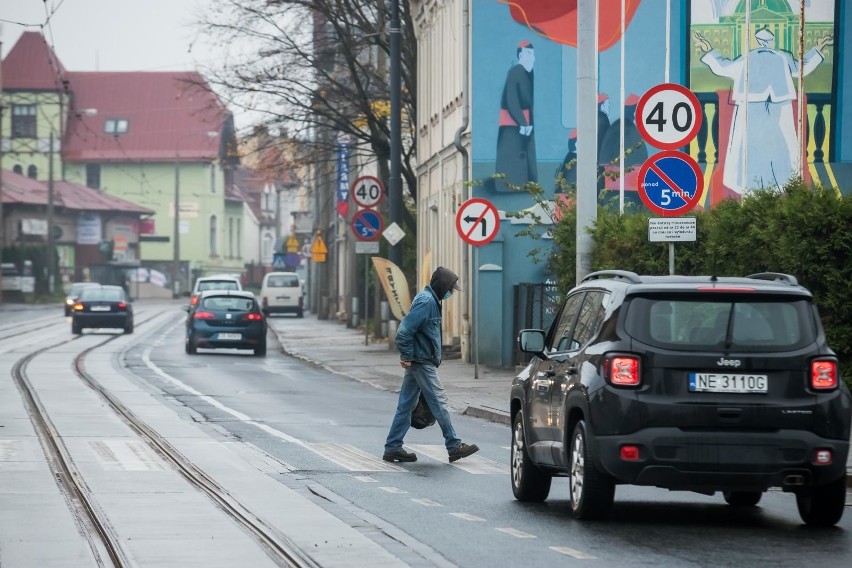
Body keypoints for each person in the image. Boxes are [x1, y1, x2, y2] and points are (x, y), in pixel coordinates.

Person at [694, 27, 833, 194]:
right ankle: (777, 184)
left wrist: (709, 50)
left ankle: (752, 186)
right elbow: (801, 69)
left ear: (758, 41)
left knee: (753, 145)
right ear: (770, 42)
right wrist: (817, 48)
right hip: (776, 103)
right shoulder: (783, 57)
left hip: (754, 104)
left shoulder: (747, 58)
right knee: (777, 145)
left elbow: (722, 68)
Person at [383, 267, 479, 464]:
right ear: (443, 286)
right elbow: (405, 330)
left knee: (406, 405)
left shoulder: (431, 300)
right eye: (451, 288)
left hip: (419, 360)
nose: (452, 292)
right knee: (440, 402)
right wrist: (407, 355)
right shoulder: (427, 302)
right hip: (421, 361)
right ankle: (454, 446)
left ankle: (393, 448)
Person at [495, 41, 537, 191]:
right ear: (521, 55)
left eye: (533, 54)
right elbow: (512, 100)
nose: (532, 58)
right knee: (513, 158)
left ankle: (526, 184)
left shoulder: (528, 73)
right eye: (529, 54)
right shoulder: (516, 73)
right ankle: (511, 186)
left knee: (524, 157)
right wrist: (523, 123)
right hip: (512, 126)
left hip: (524, 123)